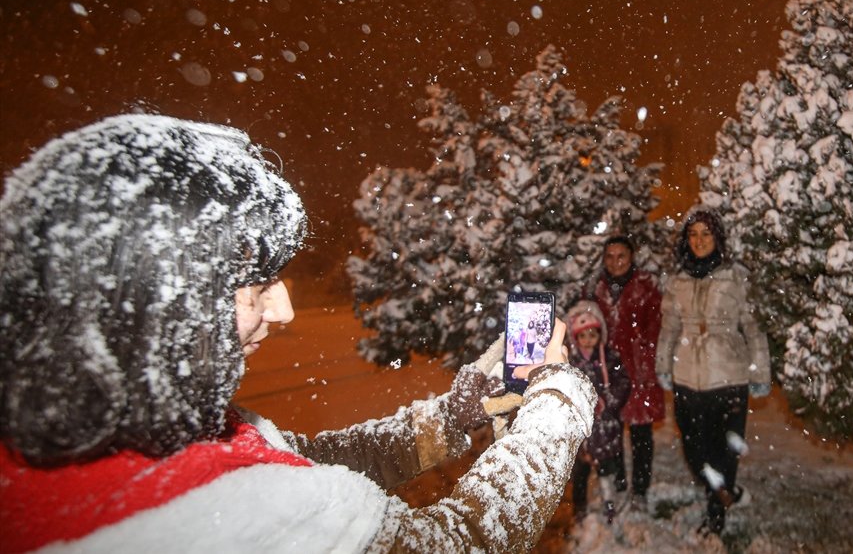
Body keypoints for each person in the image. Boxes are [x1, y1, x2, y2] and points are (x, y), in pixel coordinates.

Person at [0, 114, 597, 553]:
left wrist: (450, 417)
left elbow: (308, 464)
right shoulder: (220, 519)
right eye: (255, 287)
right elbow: (456, 544)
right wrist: (558, 402)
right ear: (153, 304)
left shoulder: (132, 456)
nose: (283, 309)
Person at [654, 209, 771, 536]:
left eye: (706, 234)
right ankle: (726, 493)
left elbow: (754, 327)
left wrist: (760, 372)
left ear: (717, 238)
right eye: (693, 234)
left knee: (724, 450)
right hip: (687, 376)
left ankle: (716, 514)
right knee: (694, 450)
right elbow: (668, 328)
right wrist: (663, 365)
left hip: (729, 375)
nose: (699, 240)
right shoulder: (678, 279)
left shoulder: (736, 276)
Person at [588, 235, 663, 512]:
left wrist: (648, 362)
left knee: (641, 433)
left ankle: (640, 489)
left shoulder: (647, 287)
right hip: (609, 372)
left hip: (640, 370)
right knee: (613, 430)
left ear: (631, 257)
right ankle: (618, 482)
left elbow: (656, 327)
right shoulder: (598, 288)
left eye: (621, 256)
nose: (615, 262)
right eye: (610, 256)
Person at [564, 301, 630, 525]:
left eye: (593, 334)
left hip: (605, 423)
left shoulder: (609, 358)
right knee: (581, 469)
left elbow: (622, 382)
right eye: (583, 336)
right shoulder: (572, 362)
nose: (588, 340)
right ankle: (579, 505)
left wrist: (609, 402)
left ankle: (609, 498)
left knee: (607, 464)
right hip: (582, 426)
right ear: (575, 338)